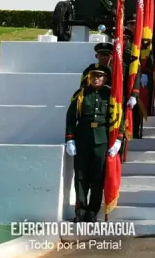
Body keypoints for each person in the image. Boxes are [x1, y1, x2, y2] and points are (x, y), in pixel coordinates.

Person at [65, 64, 120, 222]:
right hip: (82, 139)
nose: (96, 78)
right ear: (88, 78)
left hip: (102, 140)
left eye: (100, 76)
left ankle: (92, 210)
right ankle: (80, 209)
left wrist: (118, 139)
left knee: (97, 176)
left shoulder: (110, 95)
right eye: (93, 76)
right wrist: (70, 138)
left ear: (105, 78)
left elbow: (118, 117)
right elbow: (71, 118)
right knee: (81, 176)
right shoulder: (81, 95)